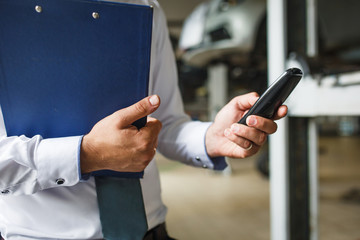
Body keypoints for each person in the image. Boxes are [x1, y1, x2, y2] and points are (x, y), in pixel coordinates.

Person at [0, 0, 287, 239]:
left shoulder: (143, 6)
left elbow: (166, 122)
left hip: (149, 231)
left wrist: (212, 137)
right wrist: (86, 155)